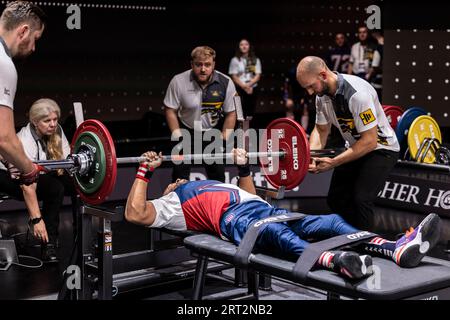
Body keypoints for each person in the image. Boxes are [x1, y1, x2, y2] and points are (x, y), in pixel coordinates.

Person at [124, 148, 441, 280]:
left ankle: (393, 248)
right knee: (273, 233)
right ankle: (337, 262)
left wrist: (244, 166)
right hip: (236, 220)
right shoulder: (171, 203)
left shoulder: (209, 183)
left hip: (260, 208)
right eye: (171, 182)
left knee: (330, 221)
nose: (176, 179)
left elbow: (249, 193)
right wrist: (144, 170)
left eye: (176, 179)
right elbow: (136, 214)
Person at [296, 56, 400, 230]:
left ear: (323, 75)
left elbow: (370, 141)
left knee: (361, 199)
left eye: (311, 86)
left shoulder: (357, 94)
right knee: (335, 198)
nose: (309, 92)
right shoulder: (321, 96)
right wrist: (311, 156)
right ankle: (352, 235)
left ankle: (368, 246)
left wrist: (334, 162)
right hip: (355, 147)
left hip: (382, 148)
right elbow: (321, 131)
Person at [0, 98, 76, 262]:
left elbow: (66, 162)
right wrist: (37, 219)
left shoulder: (57, 131)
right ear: (34, 121)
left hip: (40, 174)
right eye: (47, 120)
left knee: (77, 185)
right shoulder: (25, 141)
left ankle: (81, 234)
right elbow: (27, 186)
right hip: (10, 178)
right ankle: (49, 245)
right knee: (55, 188)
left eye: (55, 119)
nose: (53, 124)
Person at [164, 46, 237, 183]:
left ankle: (218, 202)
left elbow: (231, 113)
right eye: (199, 65)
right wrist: (176, 133)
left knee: (218, 175)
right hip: (187, 131)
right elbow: (170, 109)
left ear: (213, 65)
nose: (203, 69)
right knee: (179, 175)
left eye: (207, 65)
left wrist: (224, 136)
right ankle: (178, 202)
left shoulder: (226, 82)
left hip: (212, 132)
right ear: (192, 64)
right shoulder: (178, 81)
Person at [0, 1, 46, 185]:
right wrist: (29, 168)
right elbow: (4, 138)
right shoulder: (3, 63)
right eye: (36, 38)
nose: (34, 47)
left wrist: (7, 158)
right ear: (23, 31)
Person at [228, 39, 262, 121]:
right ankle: (240, 130)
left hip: (252, 88)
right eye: (241, 44)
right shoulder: (235, 60)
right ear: (239, 47)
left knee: (250, 112)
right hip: (239, 88)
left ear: (249, 46)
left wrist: (249, 86)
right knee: (239, 111)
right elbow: (234, 76)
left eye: (246, 44)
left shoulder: (256, 60)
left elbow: (258, 75)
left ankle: (248, 130)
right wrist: (244, 87)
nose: (244, 46)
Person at [283, 65, 314, 134]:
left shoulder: (305, 76)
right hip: (292, 94)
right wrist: (288, 98)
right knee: (289, 106)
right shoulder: (291, 74)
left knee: (305, 108)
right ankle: (289, 131)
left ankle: (304, 132)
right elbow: (286, 88)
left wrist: (304, 98)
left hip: (302, 93)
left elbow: (308, 88)